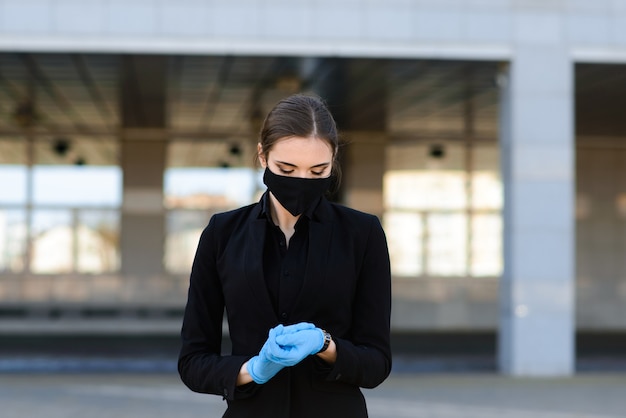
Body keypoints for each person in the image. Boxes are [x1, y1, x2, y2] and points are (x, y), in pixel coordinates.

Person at [178, 93, 392, 418]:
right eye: (287, 169)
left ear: (333, 162)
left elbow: (376, 363)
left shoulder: (362, 234)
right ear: (263, 156)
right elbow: (193, 361)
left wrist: (325, 345)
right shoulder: (222, 234)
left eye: (318, 171)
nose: (302, 182)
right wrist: (252, 369)